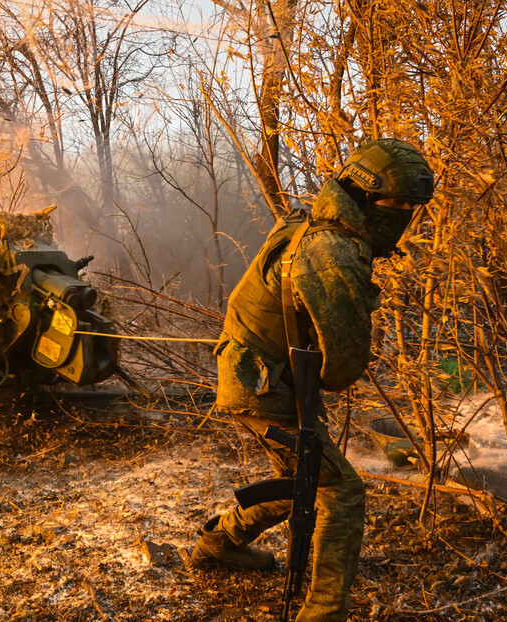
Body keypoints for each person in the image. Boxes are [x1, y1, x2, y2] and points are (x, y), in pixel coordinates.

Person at [189, 138, 435, 621]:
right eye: (396, 204)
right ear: (364, 195)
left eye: (412, 206)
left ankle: (219, 543)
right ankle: (323, 613)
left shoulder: (311, 222)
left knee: (300, 479)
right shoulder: (332, 251)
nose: (405, 215)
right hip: (263, 383)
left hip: (258, 376)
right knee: (341, 491)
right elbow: (343, 368)